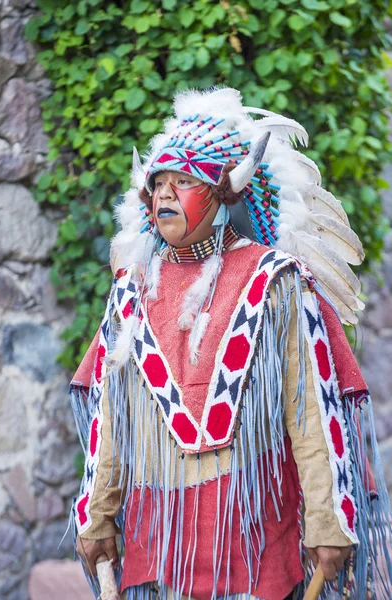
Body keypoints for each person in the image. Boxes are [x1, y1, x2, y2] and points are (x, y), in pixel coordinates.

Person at [69, 88, 392, 600]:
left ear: (222, 194)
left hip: (255, 536)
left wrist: (328, 521)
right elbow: (113, 415)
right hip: (162, 546)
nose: (165, 195)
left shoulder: (276, 280)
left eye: (184, 182)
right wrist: (97, 513)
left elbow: (309, 410)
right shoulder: (132, 289)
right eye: (158, 184)